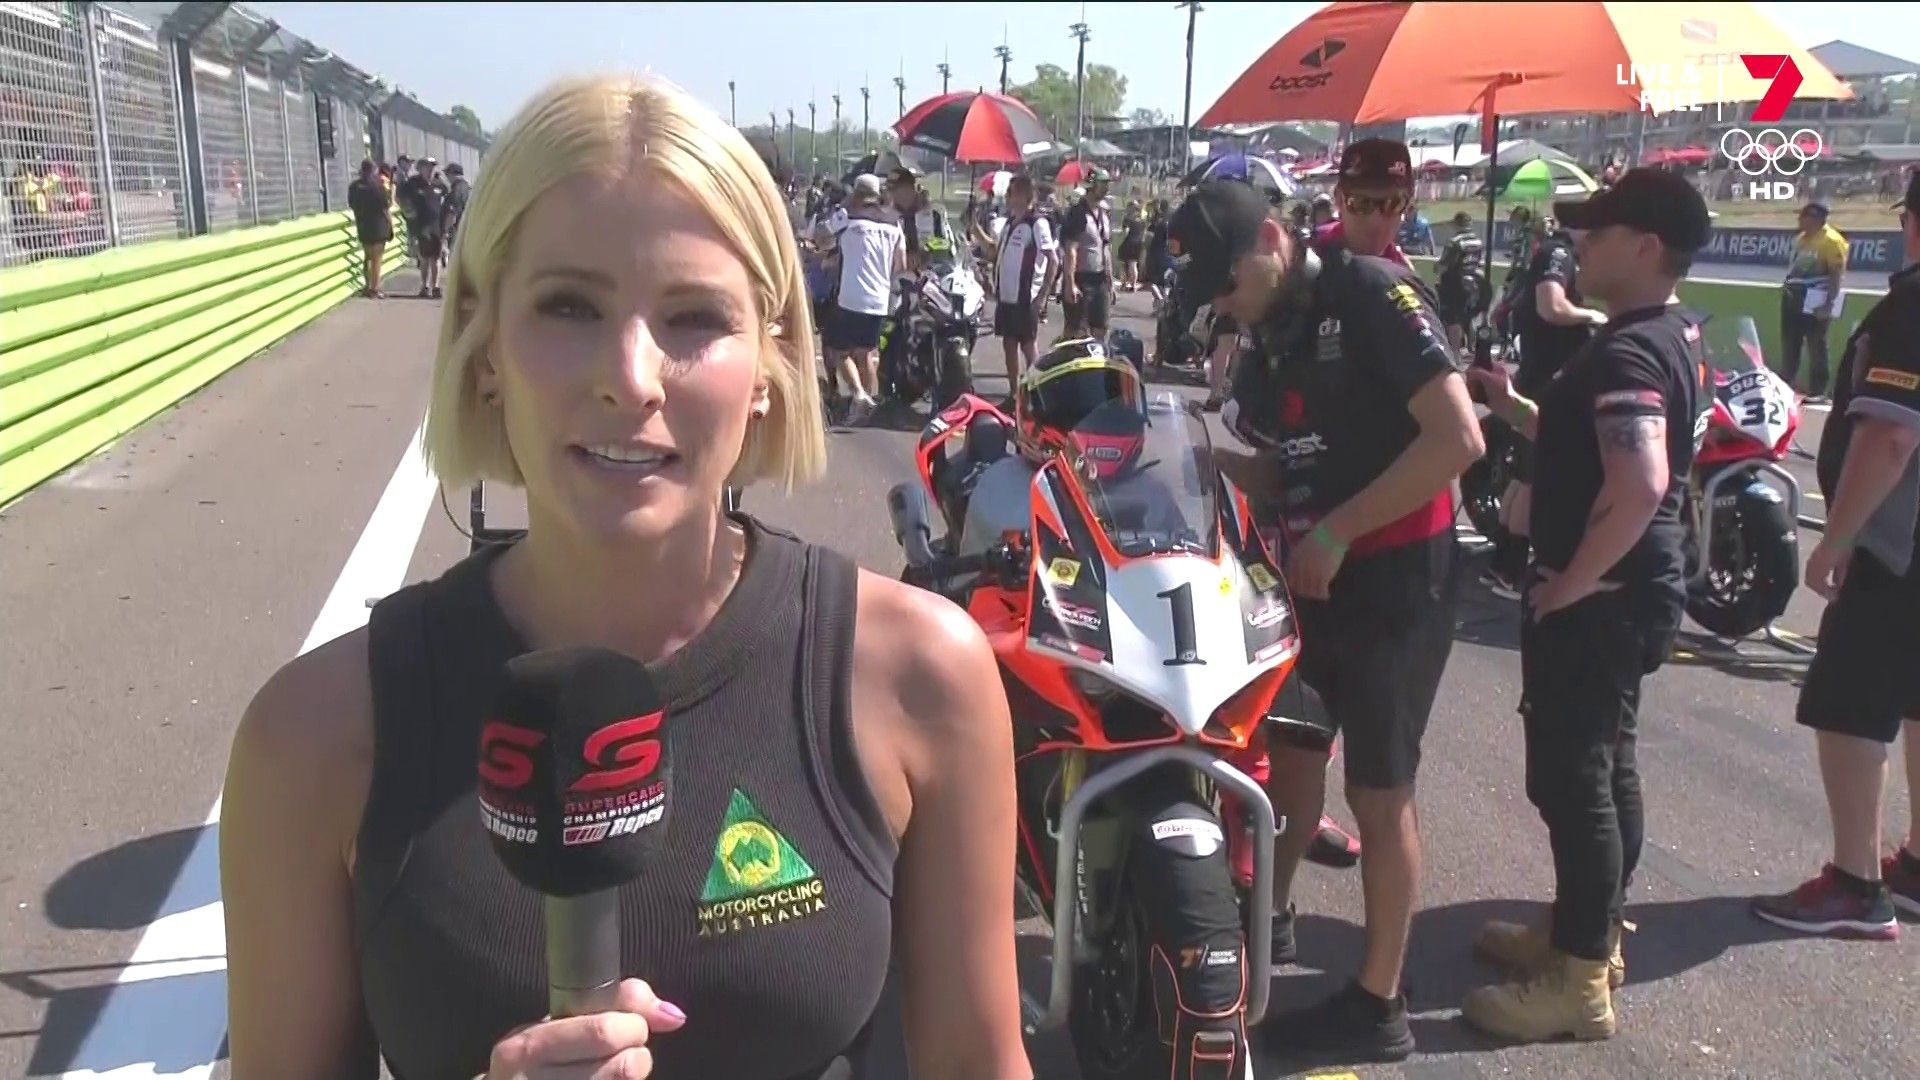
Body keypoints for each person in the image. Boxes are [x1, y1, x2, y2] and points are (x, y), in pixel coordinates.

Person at [219, 74, 1032, 1080]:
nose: (631, 377)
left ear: (774, 359)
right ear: (484, 344)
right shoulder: (315, 735)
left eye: (694, 317)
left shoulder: (920, 675)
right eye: (569, 306)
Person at [1171, 179, 1483, 1062]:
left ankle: (1379, 1004)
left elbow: (1458, 440)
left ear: (1273, 239)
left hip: (1397, 581)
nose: (1223, 306)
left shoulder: (1374, 292)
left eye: (1227, 284)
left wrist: (1342, 531)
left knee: (1379, 796)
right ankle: (1266, 925)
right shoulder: (1269, 332)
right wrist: (1203, 463)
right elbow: (1286, 468)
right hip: (1311, 578)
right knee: (1291, 767)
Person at [1460, 168, 1713, 1043]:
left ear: (1645, 248)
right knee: (1605, 769)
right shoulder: (1660, 334)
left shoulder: (1629, 352)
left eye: (1597, 234)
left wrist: (1569, 582)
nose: (1579, 246)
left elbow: (1640, 480)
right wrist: (1520, 410)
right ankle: (1587, 932)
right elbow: (1602, 442)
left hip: (1603, 598)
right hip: (1628, 595)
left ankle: (1578, 979)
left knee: (1576, 784)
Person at [1752, 171, 1920, 938]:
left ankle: (1857, 883)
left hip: (1896, 545)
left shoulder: (1910, 307)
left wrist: (1840, 536)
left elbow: (1890, 436)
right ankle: (1913, 866)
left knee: (1849, 702)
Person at [1483, 213, 1609, 597]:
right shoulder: (1560, 254)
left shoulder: (1552, 253)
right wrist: (1593, 315)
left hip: (1536, 375)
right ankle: (1510, 570)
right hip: (1547, 382)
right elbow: (1550, 306)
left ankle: (1502, 563)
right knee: (1534, 482)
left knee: (1524, 478)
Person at [821, 174, 905, 424]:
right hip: (879, 298)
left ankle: (859, 395)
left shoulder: (847, 216)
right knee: (867, 353)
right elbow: (900, 264)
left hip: (850, 296)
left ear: (856, 193)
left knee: (839, 351)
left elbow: (822, 236)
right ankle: (867, 405)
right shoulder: (894, 222)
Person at [986, 174, 1060, 411]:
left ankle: (1038, 395)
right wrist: (974, 229)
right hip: (1006, 296)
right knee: (1008, 344)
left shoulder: (1036, 223)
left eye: (1013, 192)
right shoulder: (1009, 223)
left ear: (1026, 195)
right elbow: (994, 252)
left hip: (1025, 297)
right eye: (1008, 192)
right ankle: (1014, 394)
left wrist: (1043, 296)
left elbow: (1053, 260)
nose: (1008, 197)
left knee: (1028, 345)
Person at [1778, 202, 1848, 401]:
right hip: (1793, 298)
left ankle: (1818, 390)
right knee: (1791, 343)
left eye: (1804, 217)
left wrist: (1828, 304)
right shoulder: (1800, 240)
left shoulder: (1831, 241)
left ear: (1816, 219)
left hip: (1816, 300)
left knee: (1817, 345)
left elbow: (1836, 274)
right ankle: (1786, 385)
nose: (1800, 220)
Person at [1313, 139, 1414, 271]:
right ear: (1339, 199)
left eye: (1393, 204)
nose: (1376, 220)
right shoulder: (1309, 260)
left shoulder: (1402, 270)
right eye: (1361, 203)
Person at [1059, 167, 1116, 342]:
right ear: (1092, 186)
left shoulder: (1103, 213)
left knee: (1101, 327)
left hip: (1100, 279)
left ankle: (1098, 356)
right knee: (1076, 329)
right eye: (1102, 184)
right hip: (1081, 278)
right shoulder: (1077, 214)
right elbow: (1071, 250)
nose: (1106, 188)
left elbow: (1105, 247)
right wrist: (1070, 283)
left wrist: (1110, 281)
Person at [1435, 211, 1488, 352]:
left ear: (1455, 224)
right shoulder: (1477, 241)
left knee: (1454, 318)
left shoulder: (1454, 242)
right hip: (1474, 280)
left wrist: (1437, 269)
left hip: (1455, 283)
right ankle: (1472, 347)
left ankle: (1455, 351)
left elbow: (1444, 264)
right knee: (1468, 315)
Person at [398, 157, 449, 299]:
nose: (430, 169)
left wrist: (446, 227)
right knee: (425, 257)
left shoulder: (439, 184)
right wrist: (409, 214)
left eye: (433, 166)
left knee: (436, 257)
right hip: (421, 225)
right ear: (420, 168)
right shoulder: (413, 183)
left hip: (436, 226)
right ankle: (425, 286)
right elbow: (401, 199)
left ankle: (436, 286)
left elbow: (447, 198)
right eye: (427, 166)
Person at [886, 165, 952, 271]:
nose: (891, 193)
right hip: (897, 274)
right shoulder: (885, 217)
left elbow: (945, 243)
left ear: (910, 187)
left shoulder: (934, 214)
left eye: (896, 188)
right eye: (889, 189)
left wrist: (926, 251)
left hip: (931, 272)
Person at [346, 158, 392, 299]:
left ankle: (367, 286)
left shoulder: (354, 186)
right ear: (373, 170)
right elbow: (386, 206)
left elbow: (351, 204)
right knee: (377, 258)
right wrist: (390, 226)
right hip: (378, 225)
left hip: (363, 224)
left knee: (368, 257)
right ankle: (375, 288)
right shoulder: (378, 186)